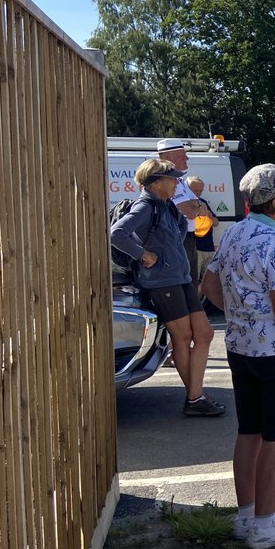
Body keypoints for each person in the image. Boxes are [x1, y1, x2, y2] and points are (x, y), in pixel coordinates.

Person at [201, 163, 275, 549]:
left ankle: (247, 515)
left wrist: (240, 315)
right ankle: (266, 525)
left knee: (249, 431)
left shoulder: (234, 232)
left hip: (241, 347)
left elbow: (209, 284)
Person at [110, 159, 223, 417]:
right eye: (173, 179)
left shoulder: (166, 206)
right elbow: (116, 234)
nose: (177, 183)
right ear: (157, 182)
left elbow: (183, 227)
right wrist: (143, 254)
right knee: (182, 338)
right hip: (163, 282)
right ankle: (195, 398)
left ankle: (196, 395)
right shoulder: (146, 206)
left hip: (179, 278)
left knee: (204, 334)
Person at [155, 139, 212, 274]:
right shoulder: (167, 181)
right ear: (169, 157)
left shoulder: (180, 181)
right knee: (184, 281)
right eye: (182, 154)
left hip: (189, 238)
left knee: (190, 282)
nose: (187, 157)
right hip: (178, 238)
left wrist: (196, 206)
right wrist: (198, 207)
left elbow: (198, 204)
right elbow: (190, 212)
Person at [185, 175, 219, 286]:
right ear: (187, 189)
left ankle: (201, 303)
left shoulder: (202, 202)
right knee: (193, 281)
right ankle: (195, 302)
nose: (198, 193)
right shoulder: (184, 204)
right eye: (195, 190)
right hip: (195, 249)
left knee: (209, 283)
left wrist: (208, 214)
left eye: (200, 190)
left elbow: (216, 222)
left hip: (209, 248)